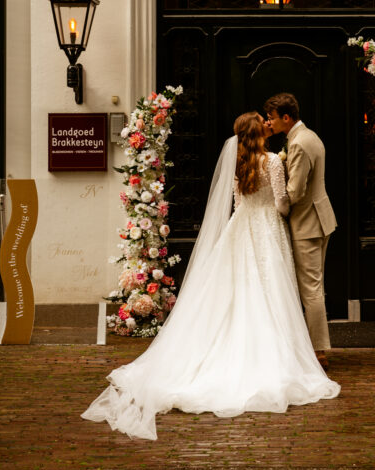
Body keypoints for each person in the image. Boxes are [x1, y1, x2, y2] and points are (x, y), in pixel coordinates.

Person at [82, 111, 340, 440]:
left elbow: (236, 200)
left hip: (241, 225)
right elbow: (281, 203)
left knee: (236, 290)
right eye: (263, 120)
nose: (267, 123)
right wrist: (283, 211)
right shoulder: (273, 161)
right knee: (270, 289)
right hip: (266, 229)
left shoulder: (238, 161)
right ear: (258, 131)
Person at [263, 94, 336, 371]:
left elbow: (295, 191)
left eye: (271, 116)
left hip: (307, 223)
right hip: (318, 218)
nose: (269, 122)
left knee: (311, 289)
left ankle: (318, 352)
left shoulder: (300, 144)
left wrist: (270, 203)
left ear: (286, 117)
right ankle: (313, 347)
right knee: (314, 286)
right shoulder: (308, 136)